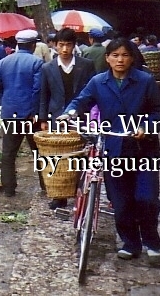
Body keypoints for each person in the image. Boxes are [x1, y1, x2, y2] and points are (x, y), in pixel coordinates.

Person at [60, 37, 160, 266]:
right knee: (121, 201)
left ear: (132, 58)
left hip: (143, 150)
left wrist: (145, 127)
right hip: (113, 149)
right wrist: (68, 114)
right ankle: (130, 243)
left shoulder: (145, 81)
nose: (120, 59)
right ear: (107, 58)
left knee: (146, 198)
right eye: (115, 55)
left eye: (125, 55)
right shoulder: (98, 82)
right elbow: (81, 101)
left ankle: (151, 242)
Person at [38, 28, 95, 209]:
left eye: (68, 45)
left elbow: (93, 92)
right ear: (55, 46)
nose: (64, 49)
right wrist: (43, 119)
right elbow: (43, 95)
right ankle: (59, 196)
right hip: (57, 116)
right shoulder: (47, 67)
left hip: (81, 116)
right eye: (61, 45)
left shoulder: (86, 65)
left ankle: (80, 191)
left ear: (74, 45)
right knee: (58, 156)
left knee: (81, 154)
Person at [0, 29, 44, 197]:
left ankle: (9, 188)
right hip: (30, 115)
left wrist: (9, 90)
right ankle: (46, 185)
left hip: (9, 112)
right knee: (39, 152)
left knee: (8, 153)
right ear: (33, 45)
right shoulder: (37, 63)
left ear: (18, 44)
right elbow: (38, 90)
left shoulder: (5, 62)